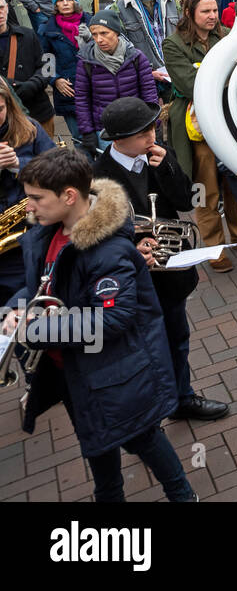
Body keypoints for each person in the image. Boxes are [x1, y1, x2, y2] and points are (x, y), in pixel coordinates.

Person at [4, 148, 196, 501]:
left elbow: (114, 318)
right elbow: (39, 285)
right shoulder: (48, 233)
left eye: (35, 198)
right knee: (95, 444)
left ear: (69, 196)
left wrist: (34, 330)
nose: (27, 207)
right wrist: (14, 309)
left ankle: (182, 494)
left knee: (143, 437)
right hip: (75, 373)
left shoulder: (109, 252)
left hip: (114, 373)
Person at [93, 97, 230, 421]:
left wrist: (167, 164)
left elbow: (185, 198)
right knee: (143, 346)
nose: (152, 137)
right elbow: (99, 233)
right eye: (143, 134)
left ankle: (183, 398)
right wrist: (132, 246)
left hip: (169, 272)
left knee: (177, 336)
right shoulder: (99, 176)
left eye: (152, 128)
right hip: (134, 276)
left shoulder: (159, 154)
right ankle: (150, 410)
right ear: (119, 141)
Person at [163, 0, 237, 275]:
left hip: (227, 121)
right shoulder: (173, 43)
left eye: (215, 10)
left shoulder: (225, 35)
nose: (213, 16)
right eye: (206, 11)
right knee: (205, 190)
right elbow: (192, 85)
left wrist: (213, 76)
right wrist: (223, 79)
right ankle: (214, 248)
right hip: (196, 128)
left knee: (234, 182)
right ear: (189, 13)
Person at [0, 80, 55, 303]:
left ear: (9, 105)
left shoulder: (30, 128)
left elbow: (57, 171)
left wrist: (17, 165)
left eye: (1, 109)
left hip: (28, 234)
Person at [75, 9, 159, 151]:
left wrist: (153, 124)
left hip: (137, 126)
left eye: (104, 33)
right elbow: (82, 99)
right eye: (94, 34)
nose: (99, 39)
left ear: (116, 32)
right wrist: (87, 131)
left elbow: (149, 92)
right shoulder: (86, 61)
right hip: (105, 131)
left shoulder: (136, 57)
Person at [113, 0, 179, 98]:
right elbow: (121, 48)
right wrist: (147, 72)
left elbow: (183, 34)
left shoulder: (171, 0)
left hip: (174, 72)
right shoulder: (119, 8)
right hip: (143, 78)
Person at [41, 0, 92, 154]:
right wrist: (55, 80)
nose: (65, 3)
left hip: (95, 85)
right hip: (68, 89)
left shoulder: (90, 21)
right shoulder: (48, 29)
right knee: (78, 139)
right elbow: (44, 60)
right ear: (55, 5)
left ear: (75, 1)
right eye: (60, 1)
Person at [0, 0, 56, 138]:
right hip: (6, 119)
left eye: (1, 7)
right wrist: (10, 86)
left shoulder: (28, 34)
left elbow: (46, 66)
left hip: (38, 110)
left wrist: (32, 85)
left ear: (7, 8)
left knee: (47, 157)